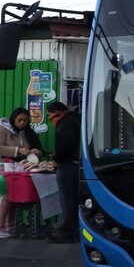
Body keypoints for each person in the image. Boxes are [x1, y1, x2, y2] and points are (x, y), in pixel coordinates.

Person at [0, 107, 43, 239]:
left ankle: (11, 227)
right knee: (6, 196)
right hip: (4, 165)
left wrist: (36, 152)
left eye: (25, 120)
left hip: (22, 166)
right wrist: (18, 150)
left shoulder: (28, 132)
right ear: (13, 119)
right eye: (19, 120)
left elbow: (38, 148)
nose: (22, 123)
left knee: (15, 197)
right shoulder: (2, 128)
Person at [46, 101, 81, 243]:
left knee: (67, 200)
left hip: (68, 166)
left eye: (49, 116)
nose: (50, 120)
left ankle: (67, 232)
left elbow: (66, 144)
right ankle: (73, 230)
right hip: (77, 165)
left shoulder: (66, 122)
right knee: (73, 200)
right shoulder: (76, 119)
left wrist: (56, 159)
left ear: (57, 113)